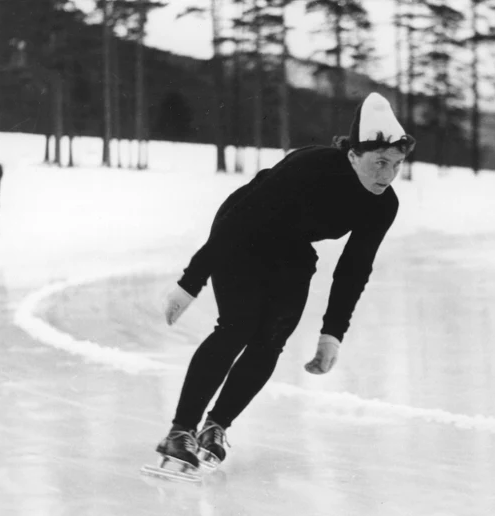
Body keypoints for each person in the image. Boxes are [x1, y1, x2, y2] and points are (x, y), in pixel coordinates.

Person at [153, 93, 416, 473]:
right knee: (237, 327)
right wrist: (191, 282)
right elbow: (241, 218)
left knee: (271, 339)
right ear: (353, 154)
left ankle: (216, 426)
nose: (387, 175)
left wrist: (332, 333)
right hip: (241, 231)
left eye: (395, 165)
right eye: (379, 162)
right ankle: (180, 432)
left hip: (293, 248)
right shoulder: (310, 165)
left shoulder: (383, 203)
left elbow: (354, 267)